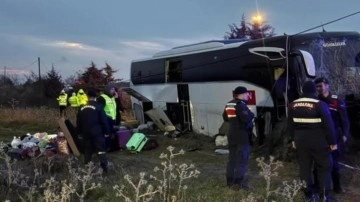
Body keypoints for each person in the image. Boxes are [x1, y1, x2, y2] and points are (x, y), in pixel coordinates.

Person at [288, 81, 337, 201]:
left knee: (304, 168)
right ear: (314, 91)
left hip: (301, 142)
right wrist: (333, 142)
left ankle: (308, 195)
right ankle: (324, 196)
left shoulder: (292, 105)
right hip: (319, 142)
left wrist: (292, 139)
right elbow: (328, 126)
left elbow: (290, 125)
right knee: (324, 168)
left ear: (302, 91)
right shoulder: (319, 104)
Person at [314, 77, 350, 194]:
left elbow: (344, 119)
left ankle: (337, 187)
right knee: (317, 163)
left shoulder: (336, 101)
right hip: (319, 136)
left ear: (327, 85)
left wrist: (345, 134)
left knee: (334, 163)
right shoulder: (315, 101)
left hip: (334, 136)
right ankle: (317, 186)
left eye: (321, 86)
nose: (319, 88)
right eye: (317, 86)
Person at [223, 86, 254, 191]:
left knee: (232, 160)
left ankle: (230, 182)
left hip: (231, 134)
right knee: (242, 160)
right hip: (241, 135)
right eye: (246, 94)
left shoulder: (229, 104)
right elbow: (246, 119)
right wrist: (251, 114)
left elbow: (225, 117)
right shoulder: (241, 105)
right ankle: (240, 184)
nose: (247, 95)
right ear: (241, 94)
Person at [76, 90, 110, 173]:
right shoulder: (99, 106)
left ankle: (87, 168)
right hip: (97, 132)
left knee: (88, 150)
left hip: (85, 132)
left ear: (87, 96)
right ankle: (105, 167)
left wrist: (79, 133)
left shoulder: (81, 107)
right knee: (100, 149)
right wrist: (106, 132)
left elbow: (78, 121)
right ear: (96, 97)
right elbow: (103, 121)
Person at [97, 85, 117, 150]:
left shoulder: (112, 97)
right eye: (112, 89)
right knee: (107, 134)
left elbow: (114, 108)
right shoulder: (102, 98)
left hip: (112, 119)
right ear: (108, 90)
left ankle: (110, 147)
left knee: (111, 134)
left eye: (114, 89)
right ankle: (106, 147)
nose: (113, 91)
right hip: (106, 119)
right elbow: (99, 110)